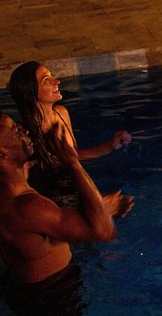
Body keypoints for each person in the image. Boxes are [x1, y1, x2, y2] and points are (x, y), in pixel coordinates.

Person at [0, 103, 125, 316]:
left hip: (18, 286)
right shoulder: (29, 207)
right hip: (56, 296)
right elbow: (103, 231)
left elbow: (25, 172)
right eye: (16, 131)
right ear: (0, 154)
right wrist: (72, 163)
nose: (24, 129)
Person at [9, 61, 133, 214]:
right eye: (46, 80)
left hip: (76, 189)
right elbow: (25, 193)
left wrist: (110, 146)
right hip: (53, 205)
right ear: (29, 93)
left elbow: (74, 155)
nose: (57, 81)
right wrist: (98, 206)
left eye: (52, 76)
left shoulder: (61, 114)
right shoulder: (24, 136)